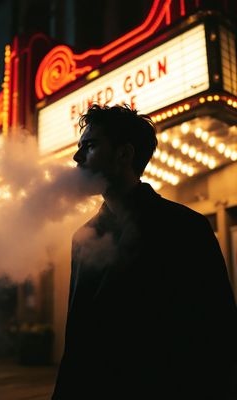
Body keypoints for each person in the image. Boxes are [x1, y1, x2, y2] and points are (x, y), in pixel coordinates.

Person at [51, 104, 237, 400]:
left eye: (90, 146)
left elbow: (217, 331)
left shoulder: (185, 227)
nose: (76, 157)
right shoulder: (82, 238)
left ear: (124, 154)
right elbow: (78, 340)